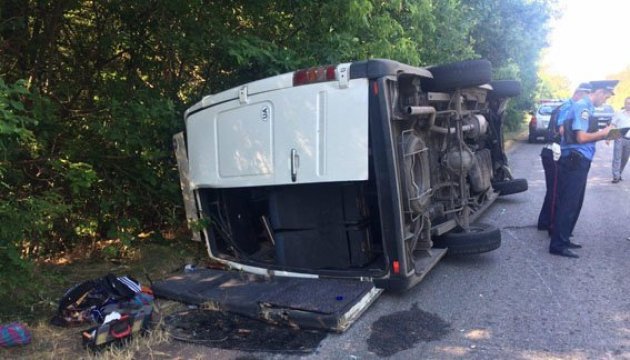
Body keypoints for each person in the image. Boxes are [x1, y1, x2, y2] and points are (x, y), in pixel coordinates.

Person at [549, 80, 619, 258]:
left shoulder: (587, 108)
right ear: (600, 92)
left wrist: (610, 133)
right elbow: (581, 138)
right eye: (606, 96)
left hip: (579, 160)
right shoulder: (583, 107)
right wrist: (604, 133)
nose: (605, 101)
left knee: (575, 203)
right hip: (575, 160)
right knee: (568, 203)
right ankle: (558, 244)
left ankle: (564, 239)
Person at [537, 83, 592, 233]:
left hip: (552, 151)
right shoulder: (569, 107)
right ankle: (552, 226)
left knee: (554, 190)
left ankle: (545, 221)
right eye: (588, 95)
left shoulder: (567, 105)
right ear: (580, 93)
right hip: (555, 152)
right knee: (557, 191)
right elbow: (562, 130)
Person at [610, 97, 630, 183]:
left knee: (625, 158)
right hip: (619, 137)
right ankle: (616, 176)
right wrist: (609, 138)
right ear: (624, 104)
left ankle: (619, 173)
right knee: (617, 157)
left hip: (629, 139)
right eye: (627, 103)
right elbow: (613, 125)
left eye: (629, 103)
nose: (628, 105)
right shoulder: (619, 113)